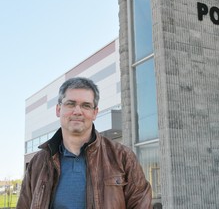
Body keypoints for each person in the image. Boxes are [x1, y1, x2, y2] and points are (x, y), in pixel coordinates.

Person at [17, 77, 152, 209]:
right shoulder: (38, 163)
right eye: (70, 104)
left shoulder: (123, 157)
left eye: (86, 105)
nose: (77, 111)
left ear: (95, 113)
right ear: (58, 110)